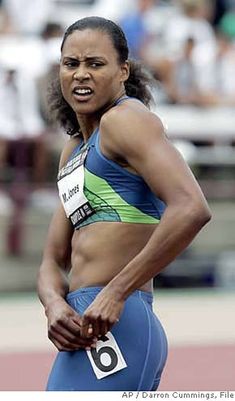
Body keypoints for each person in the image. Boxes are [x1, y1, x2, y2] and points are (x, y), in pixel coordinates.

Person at [37, 16, 212, 391]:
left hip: (116, 322)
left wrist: (116, 292)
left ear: (123, 71)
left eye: (95, 64)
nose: (81, 74)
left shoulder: (126, 120)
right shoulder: (74, 150)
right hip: (89, 322)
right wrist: (54, 304)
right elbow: (52, 259)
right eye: (71, 64)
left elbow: (191, 207)